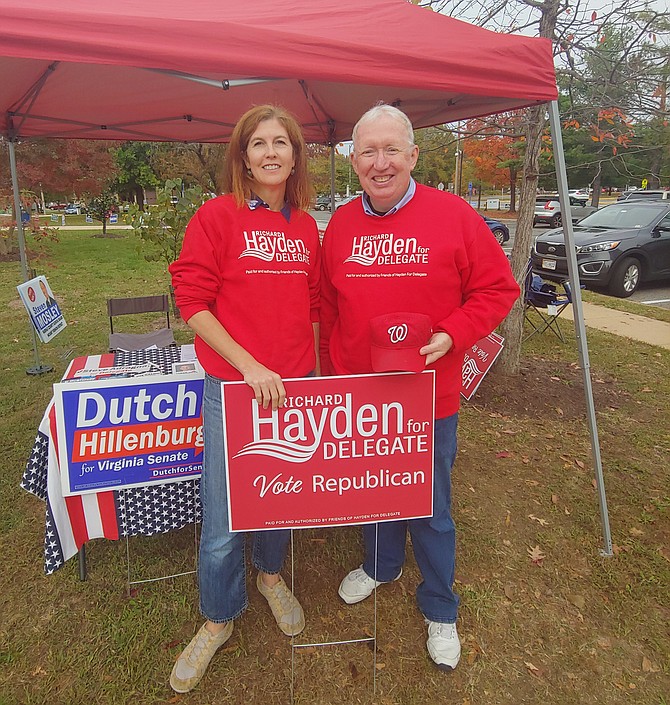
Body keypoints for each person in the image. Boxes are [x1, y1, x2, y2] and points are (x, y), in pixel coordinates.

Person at [319, 104, 519, 671]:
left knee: (431, 505)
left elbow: (496, 290)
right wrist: (334, 375)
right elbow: (330, 306)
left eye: (391, 151)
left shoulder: (453, 215)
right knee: (373, 490)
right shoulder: (340, 225)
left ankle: (439, 606)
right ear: (353, 159)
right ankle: (381, 565)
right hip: (360, 397)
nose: (379, 164)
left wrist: (452, 335)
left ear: (413, 156)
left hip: (426, 396)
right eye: (367, 152)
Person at [168, 105, 320, 693]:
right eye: (259, 143)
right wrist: (250, 366)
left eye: (282, 142)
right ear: (243, 155)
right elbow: (193, 305)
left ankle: (271, 575)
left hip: (293, 387)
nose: (272, 153)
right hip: (233, 386)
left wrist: (311, 374)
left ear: (295, 156)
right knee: (225, 510)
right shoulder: (216, 217)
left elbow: (311, 308)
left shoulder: (305, 226)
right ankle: (218, 616)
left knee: (278, 494)